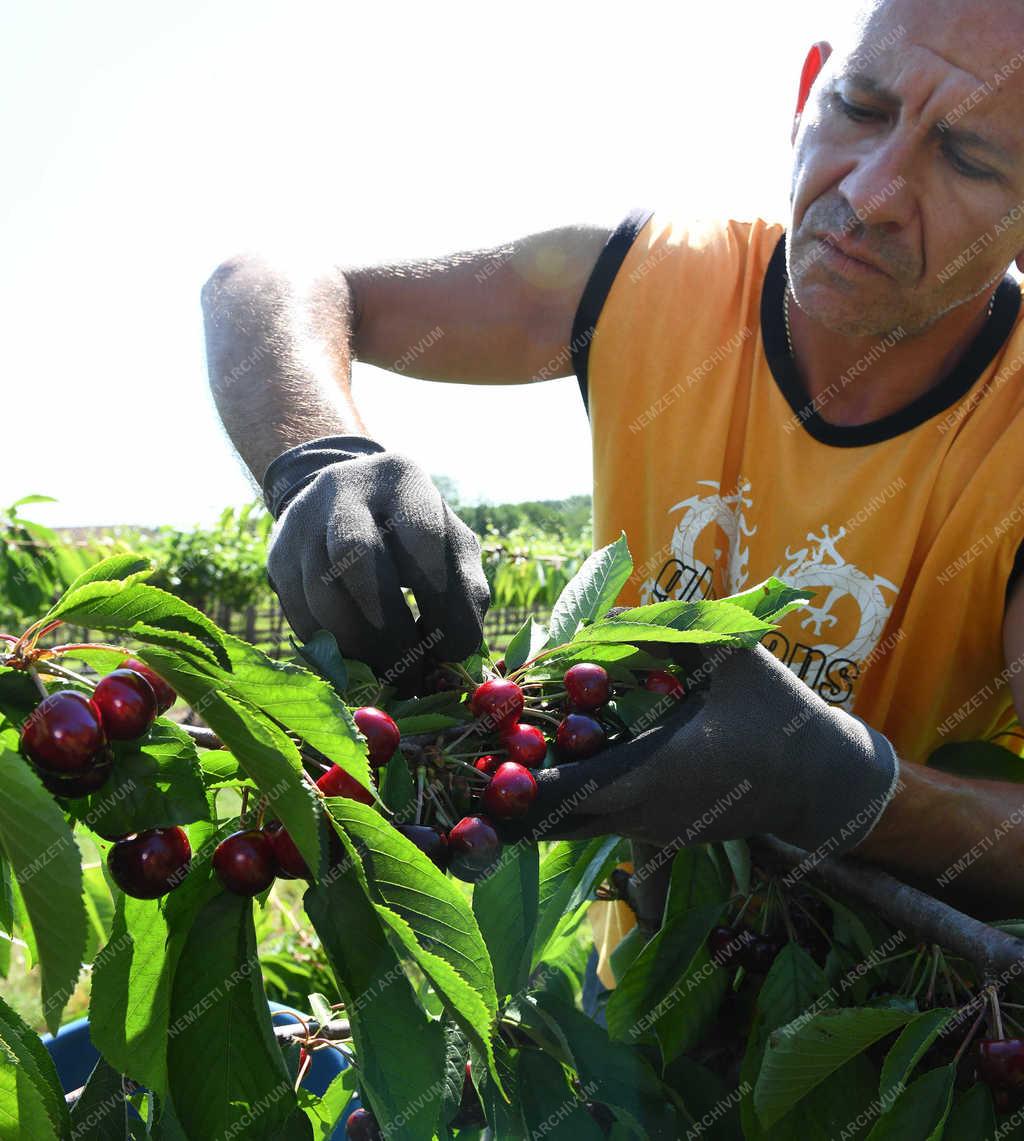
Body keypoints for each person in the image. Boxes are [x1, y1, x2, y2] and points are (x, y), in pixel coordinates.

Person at [202, 0, 1024, 985]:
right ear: (806, 90)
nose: (877, 190)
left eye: (968, 161)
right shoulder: (655, 279)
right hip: (634, 999)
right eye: (859, 107)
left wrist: (845, 781)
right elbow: (270, 281)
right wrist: (317, 456)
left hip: (887, 1040)